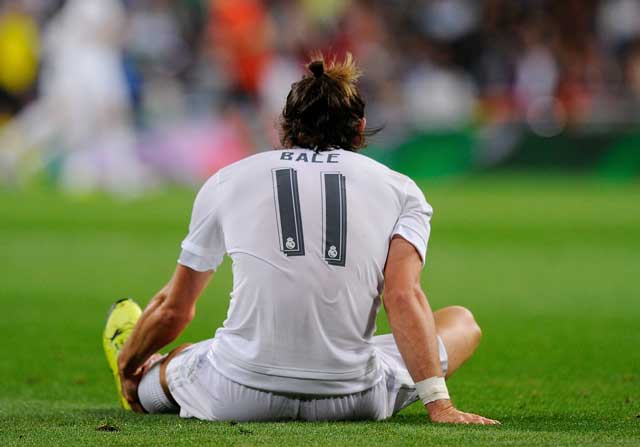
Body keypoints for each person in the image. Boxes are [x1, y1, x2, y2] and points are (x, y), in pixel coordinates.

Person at [103, 54, 499, 425]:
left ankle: (135, 364)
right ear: (360, 128)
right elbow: (402, 297)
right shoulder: (401, 190)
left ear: (283, 126)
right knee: (461, 322)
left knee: (177, 361)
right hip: (354, 398)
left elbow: (175, 310)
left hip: (238, 392)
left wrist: (127, 366)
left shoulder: (228, 180)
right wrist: (439, 404)